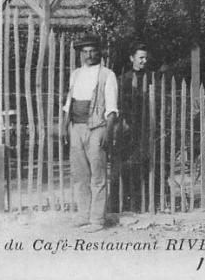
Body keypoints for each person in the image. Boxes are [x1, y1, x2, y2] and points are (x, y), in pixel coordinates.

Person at [60, 33, 118, 232]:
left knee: (98, 175)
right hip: (76, 127)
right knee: (80, 174)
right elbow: (69, 103)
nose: (89, 55)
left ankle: (97, 220)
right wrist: (65, 127)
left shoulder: (107, 75)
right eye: (85, 51)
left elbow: (111, 108)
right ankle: (83, 215)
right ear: (80, 54)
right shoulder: (75, 74)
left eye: (93, 50)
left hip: (97, 128)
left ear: (99, 52)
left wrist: (106, 132)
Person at [113, 42, 150, 212]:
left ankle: (143, 202)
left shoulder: (151, 79)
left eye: (145, 58)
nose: (144, 61)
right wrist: (124, 121)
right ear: (132, 58)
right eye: (141, 57)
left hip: (146, 127)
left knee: (146, 165)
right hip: (127, 128)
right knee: (126, 165)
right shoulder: (123, 80)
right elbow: (118, 103)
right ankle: (122, 202)